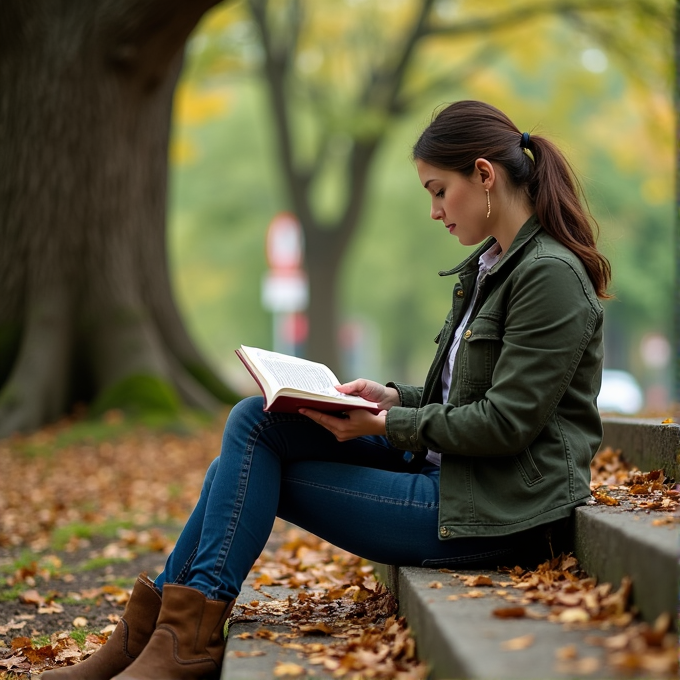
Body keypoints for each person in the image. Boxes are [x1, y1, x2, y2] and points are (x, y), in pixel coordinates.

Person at [44, 100, 610, 680]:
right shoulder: (495, 266)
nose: (435, 211)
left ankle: (176, 637)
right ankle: (152, 638)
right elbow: (465, 394)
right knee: (254, 420)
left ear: (484, 175)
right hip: (451, 477)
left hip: (493, 513)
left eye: (439, 190)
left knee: (235, 477)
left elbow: (505, 423)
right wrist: (391, 399)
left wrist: (384, 425)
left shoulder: (548, 275)